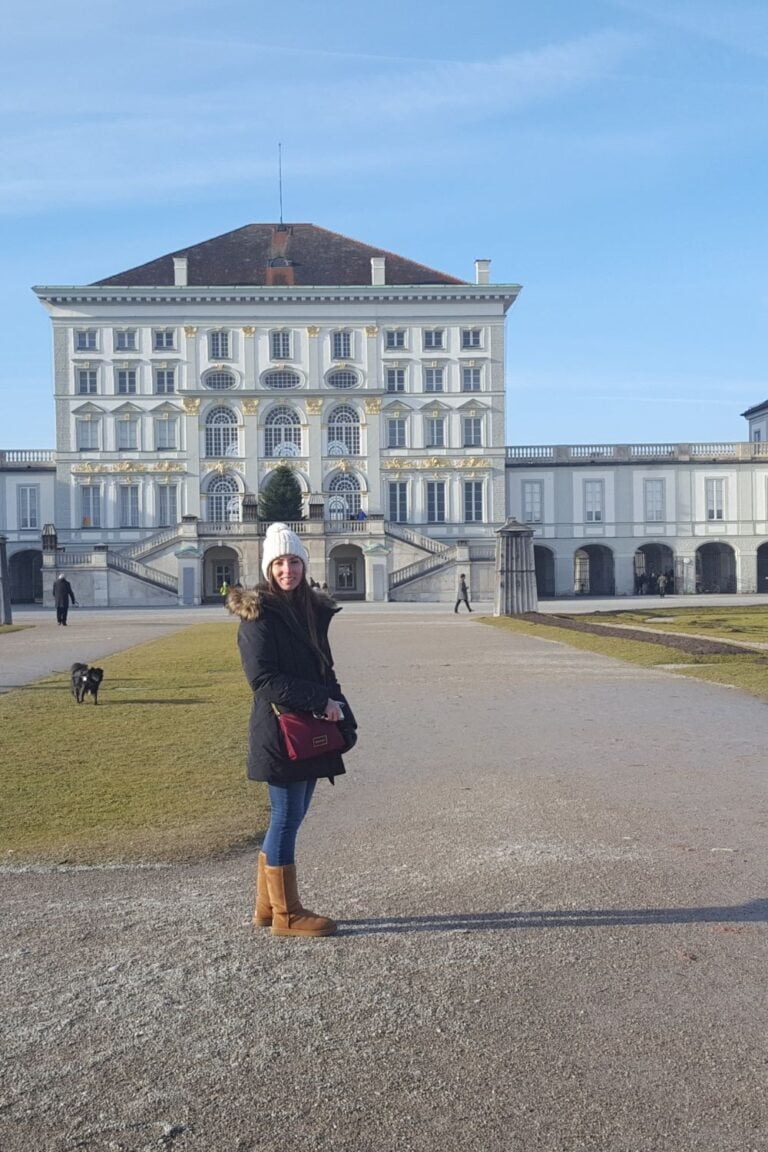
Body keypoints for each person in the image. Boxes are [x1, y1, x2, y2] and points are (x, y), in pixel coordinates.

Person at [227, 522, 357, 939]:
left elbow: (325, 670)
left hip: (308, 729)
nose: (288, 570)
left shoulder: (312, 612)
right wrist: (321, 702)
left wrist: (344, 714)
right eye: (280, 563)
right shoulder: (257, 616)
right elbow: (262, 680)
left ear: (304, 564)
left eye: (294, 561)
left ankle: (267, 906)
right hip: (281, 729)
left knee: (294, 815)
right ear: (269, 569)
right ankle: (286, 914)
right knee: (285, 816)